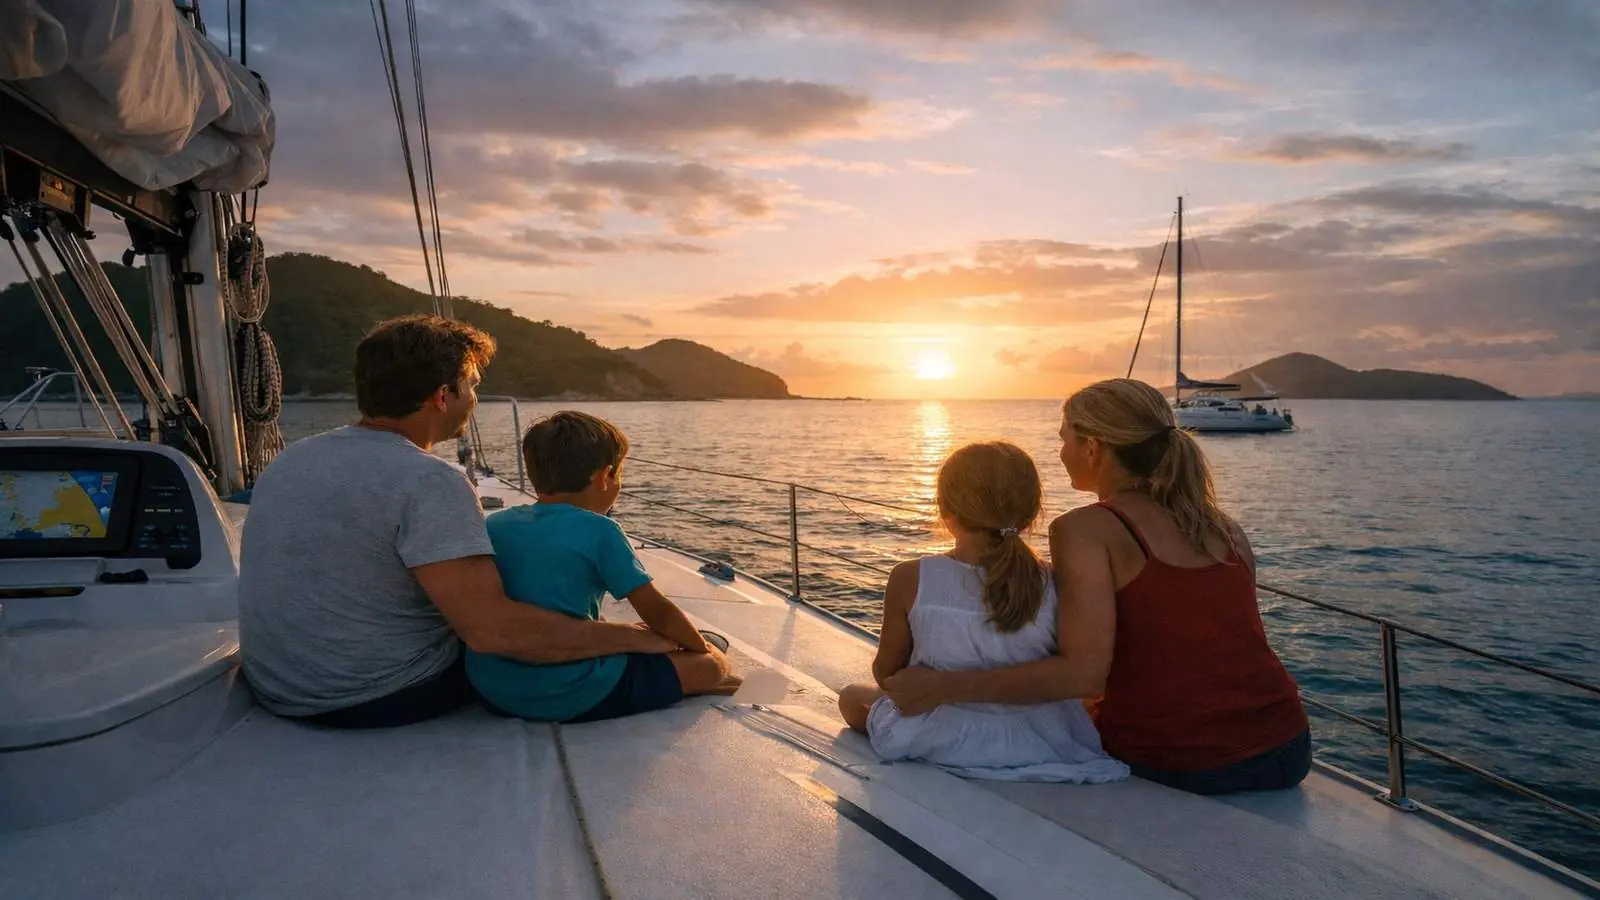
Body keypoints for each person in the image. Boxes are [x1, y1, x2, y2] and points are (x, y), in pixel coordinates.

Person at [238, 315, 676, 729]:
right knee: (569, 660)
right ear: (442, 396)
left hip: (278, 686)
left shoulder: (295, 457)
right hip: (377, 694)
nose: (474, 399)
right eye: (472, 385)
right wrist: (634, 638)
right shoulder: (429, 480)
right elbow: (494, 633)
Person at [881, 379, 1310, 795]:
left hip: (1182, 758)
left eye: (1065, 439)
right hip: (1286, 747)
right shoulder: (1225, 527)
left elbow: (1084, 675)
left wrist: (942, 686)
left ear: (1093, 447)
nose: (1060, 452)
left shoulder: (1085, 529)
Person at [837, 442, 1128, 783]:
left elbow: (887, 674)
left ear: (946, 511)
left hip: (945, 737)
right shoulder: (1056, 582)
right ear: (1031, 513)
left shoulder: (911, 577)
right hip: (1043, 740)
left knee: (851, 698)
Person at [468, 411, 741, 722]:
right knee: (712, 663)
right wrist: (698, 646)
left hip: (491, 685)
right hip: (568, 690)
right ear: (604, 477)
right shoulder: (601, 531)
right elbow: (657, 611)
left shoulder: (496, 524)